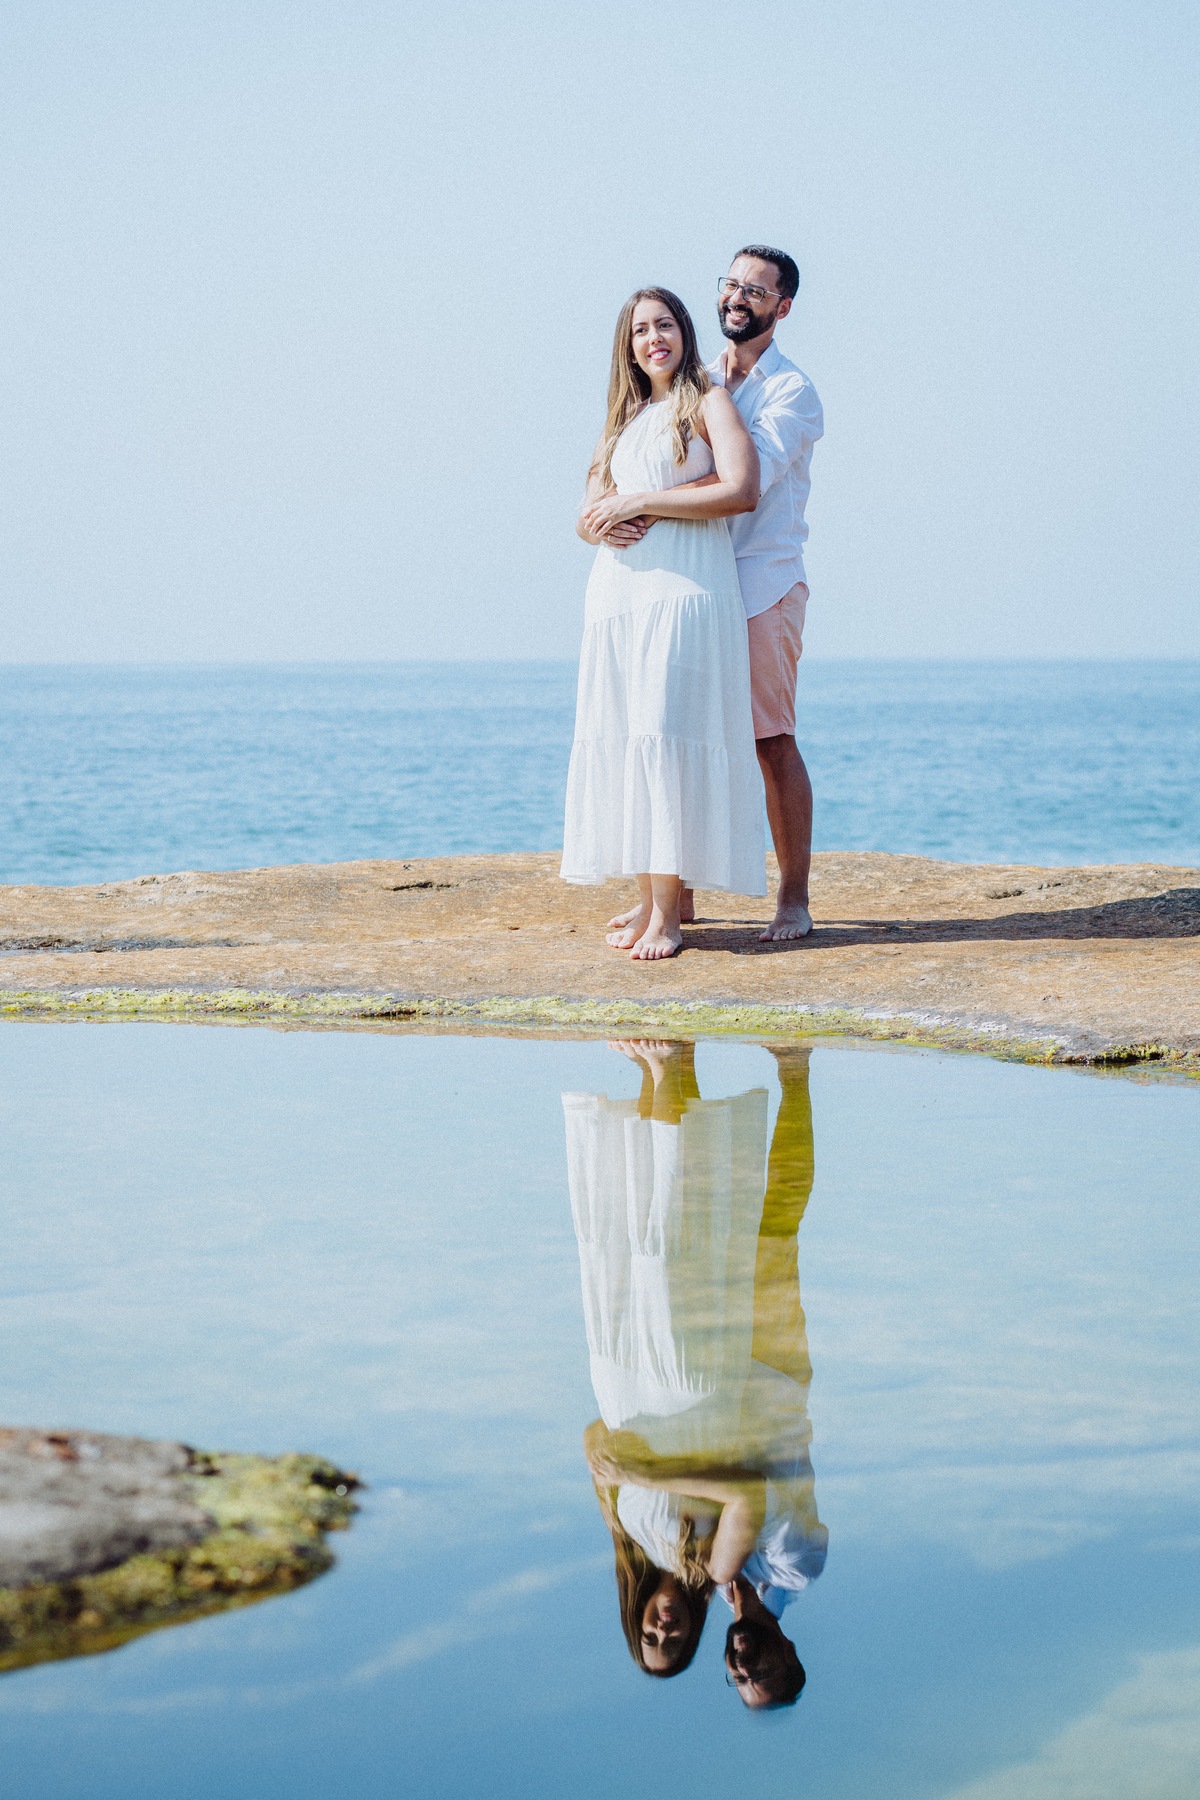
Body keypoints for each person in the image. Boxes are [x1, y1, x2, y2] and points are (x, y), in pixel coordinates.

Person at [564, 1040, 826, 1693]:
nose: (742, 1664)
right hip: (770, 1380)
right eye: (759, 1673)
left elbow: (600, 1442)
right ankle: (794, 1069)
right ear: (787, 1656)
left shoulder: (685, 1562)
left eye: (735, 1675)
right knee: (776, 1221)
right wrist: (649, 1473)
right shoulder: (793, 1569)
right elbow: (749, 1484)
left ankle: (669, 1071)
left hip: (720, 1371)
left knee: (693, 1231)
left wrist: (620, 1474)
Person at [608, 248, 824, 943]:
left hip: (760, 580)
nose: (739, 297)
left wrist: (640, 501)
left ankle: (793, 898)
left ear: (782, 307)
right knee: (679, 730)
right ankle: (682, 895)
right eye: (731, 284)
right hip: (694, 584)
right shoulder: (692, 381)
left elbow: (740, 481)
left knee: (769, 739)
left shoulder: (792, 392)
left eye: (757, 291)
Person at [560, 288, 766, 960]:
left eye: (666, 326)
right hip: (618, 602)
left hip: (683, 596)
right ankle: (652, 900)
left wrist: (644, 500)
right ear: (628, 344)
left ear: (683, 333)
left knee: (664, 735)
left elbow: (741, 488)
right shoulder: (619, 421)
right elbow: (588, 512)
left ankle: (671, 919)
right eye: (642, 330)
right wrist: (603, 522)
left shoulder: (706, 400)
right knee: (628, 740)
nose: (655, 339)